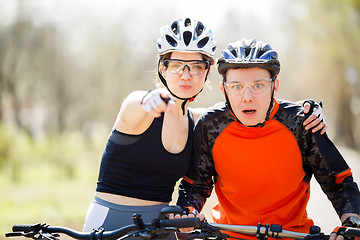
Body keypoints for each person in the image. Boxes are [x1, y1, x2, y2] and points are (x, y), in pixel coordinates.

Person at [82, 18, 326, 233]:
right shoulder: (138, 106)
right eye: (177, 65)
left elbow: (249, 104)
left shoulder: (198, 120)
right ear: (162, 69)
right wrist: (151, 100)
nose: (186, 75)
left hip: (162, 226)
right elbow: (137, 104)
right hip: (110, 223)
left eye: (197, 66)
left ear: (206, 73)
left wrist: (306, 108)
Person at [176, 39, 360, 240]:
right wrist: (187, 210)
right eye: (236, 87)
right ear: (224, 90)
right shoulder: (209, 125)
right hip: (228, 235)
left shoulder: (302, 123)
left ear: (275, 86)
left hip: (292, 236)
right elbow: (196, 183)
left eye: (258, 85)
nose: (247, 96)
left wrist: (352, 223)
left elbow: (338, 182)